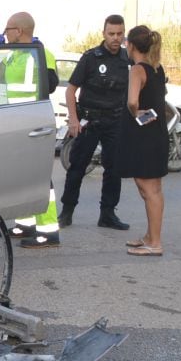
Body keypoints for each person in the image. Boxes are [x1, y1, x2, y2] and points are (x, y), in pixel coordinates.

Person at [59, 14, 131, 231]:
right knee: (77, 168)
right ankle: (67, 212)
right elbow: (71, 90)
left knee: (114, 169)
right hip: (89, 120)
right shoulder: (91, 57)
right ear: (104, 33)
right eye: (111, 34)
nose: (115, 38)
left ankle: (108, 214)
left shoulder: (127, 59)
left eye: (119, 34)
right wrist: (73, 119)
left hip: (115, 121)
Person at [0, 12, 62, 248]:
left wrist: (38, 58)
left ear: (20, 30)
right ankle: (26, 223)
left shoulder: (42, 53)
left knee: (39, 176)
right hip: (15, 122)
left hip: (34, 122)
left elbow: (51, 85)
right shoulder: (11, 54)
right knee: (21, 174)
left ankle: (48, 231)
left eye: (8, 29)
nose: (6, 33)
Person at [121, 25, 168, 256]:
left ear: (130, 45)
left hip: (145, 135)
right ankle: (150, 236)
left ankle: (155, 243)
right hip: (157, 132)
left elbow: (132, 101)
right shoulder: (156, 68)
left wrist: (136, 112)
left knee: (149, 190)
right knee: (150, 188)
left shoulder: (137, 70)